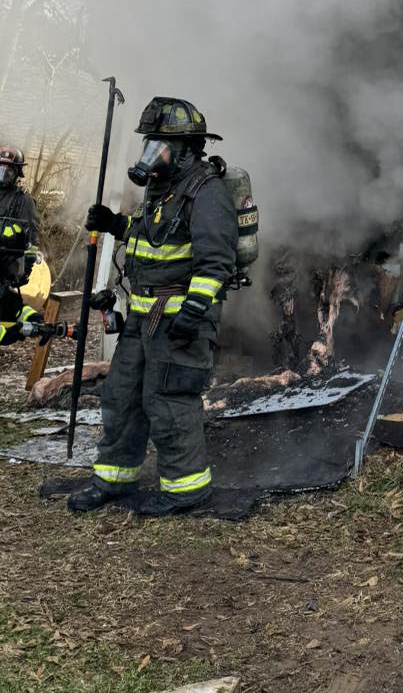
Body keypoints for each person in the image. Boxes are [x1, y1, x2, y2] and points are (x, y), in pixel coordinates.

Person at [67, 98, 238, 517]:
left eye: (159, 146)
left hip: (179, 320)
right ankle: (114, 478)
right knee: (121, 396)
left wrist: (193, 312)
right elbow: (152, 240)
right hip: (142, 318)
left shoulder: (206, 192)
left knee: (169, 401)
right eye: (150, 145)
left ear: (185, 149)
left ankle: (186, 488)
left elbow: (217, 261)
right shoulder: (161, 190)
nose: (151, 155)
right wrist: (114, 224)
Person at [0, 145, 41, 345]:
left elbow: (31, 238)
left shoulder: (23, 201)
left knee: (9, 305)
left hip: (7, 265)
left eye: (8, 171)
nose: (3, 174)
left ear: (17, 173)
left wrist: (27, 268)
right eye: (0, 169)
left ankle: (26, 325)